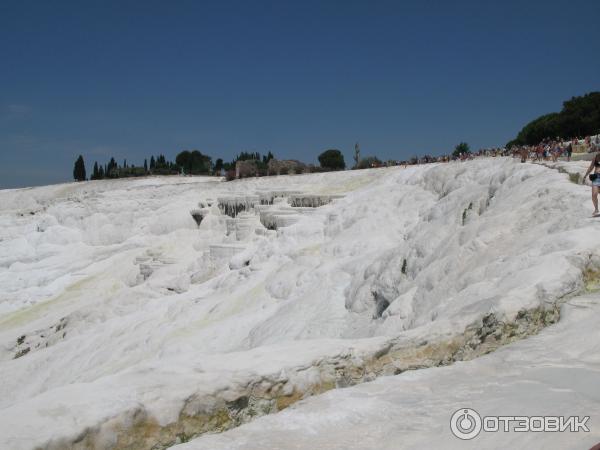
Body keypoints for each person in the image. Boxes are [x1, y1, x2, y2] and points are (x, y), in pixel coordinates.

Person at [583, 152, 600, 217]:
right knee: (594, 194)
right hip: (596, 178)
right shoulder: (596, 157)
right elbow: (591, 167)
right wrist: (585, 175)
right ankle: (596, 209)